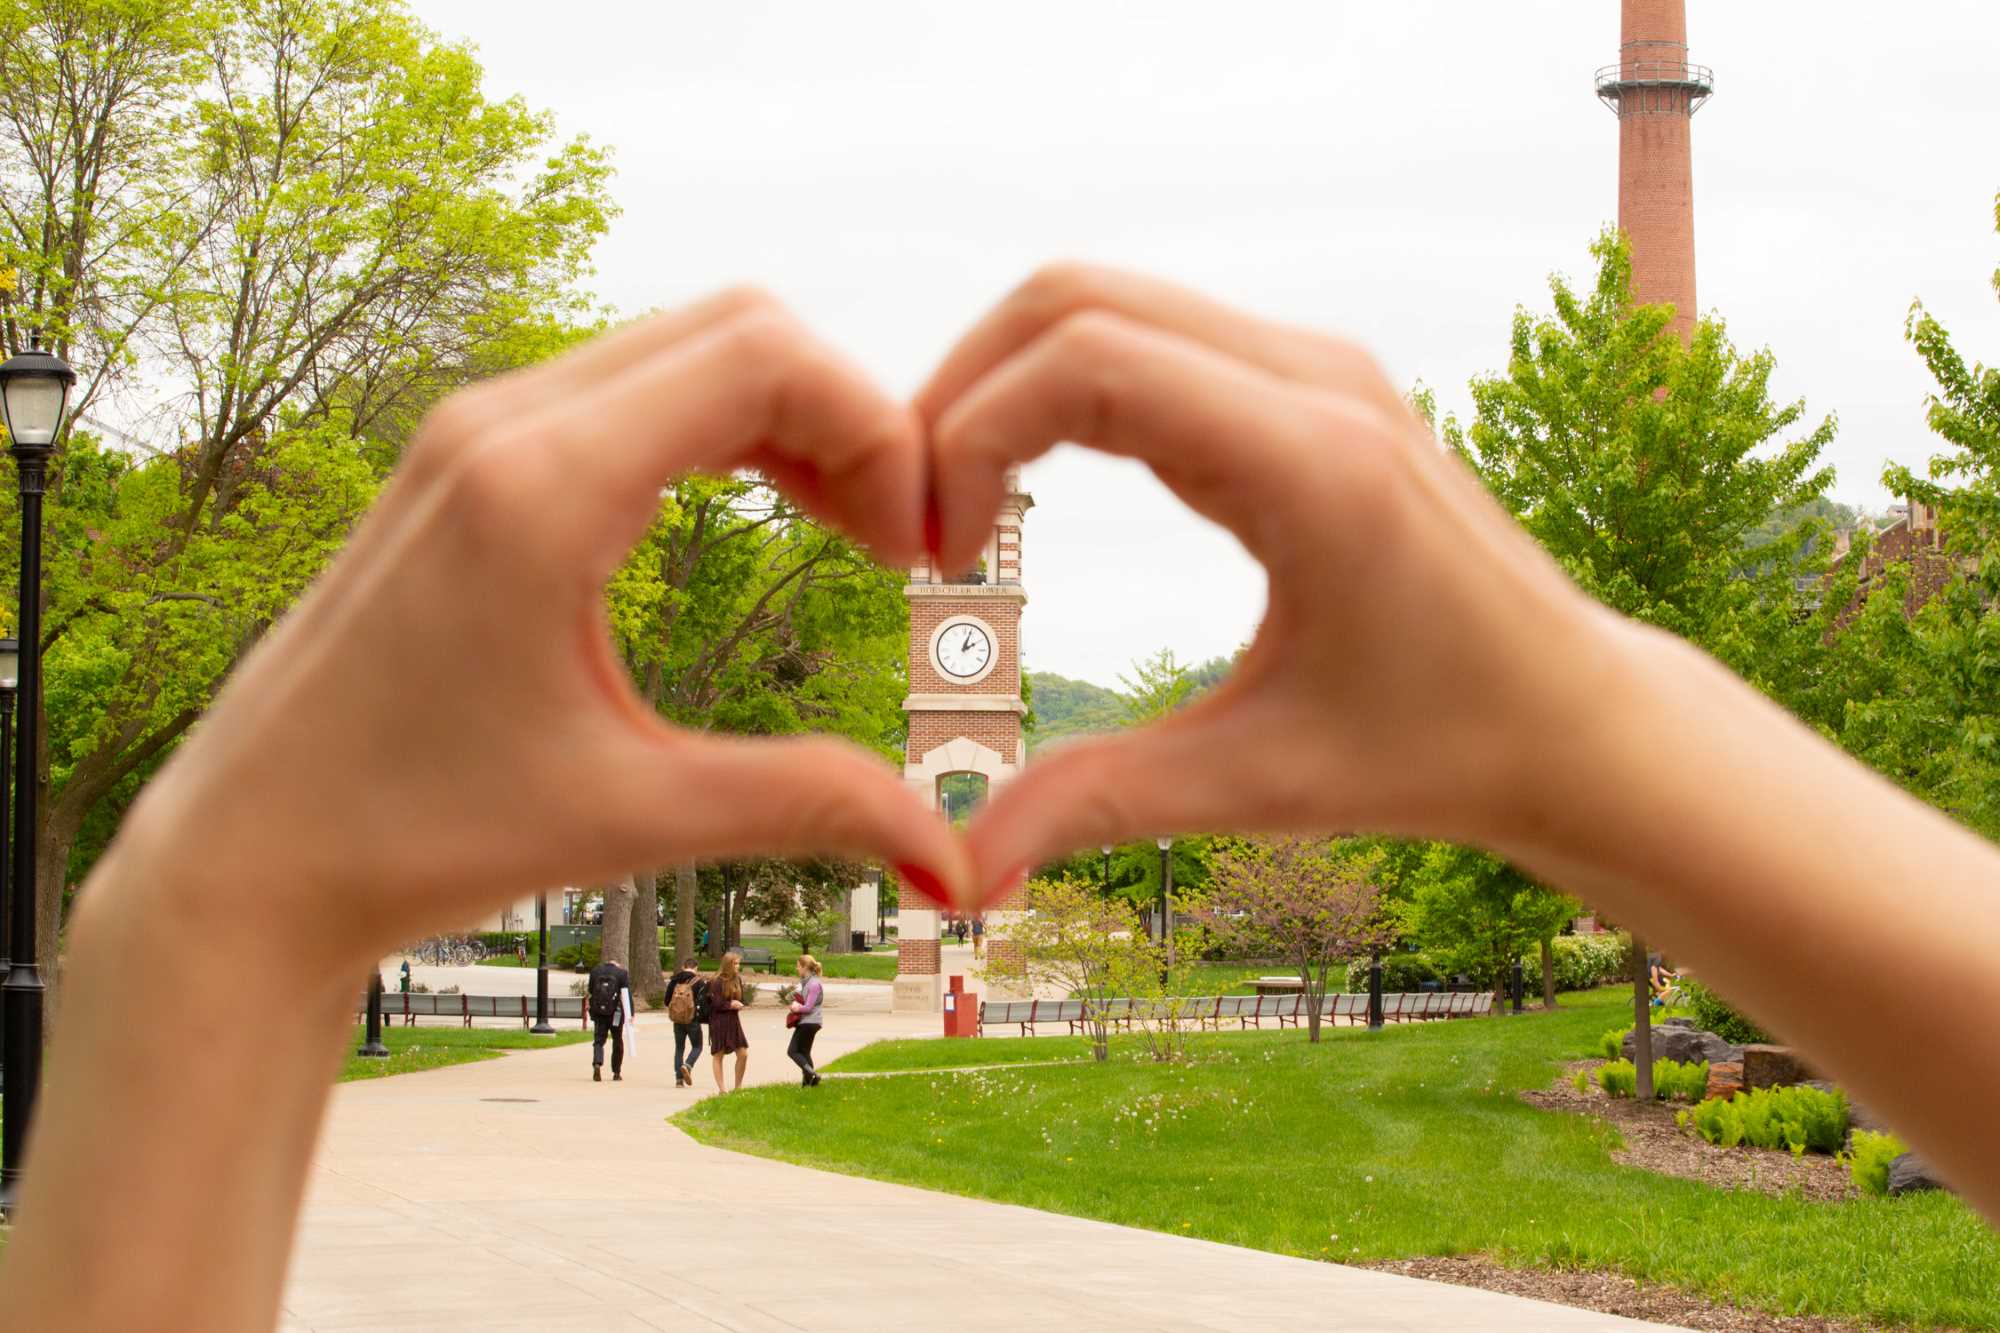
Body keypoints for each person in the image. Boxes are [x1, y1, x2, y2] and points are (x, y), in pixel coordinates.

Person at [9, 273, 2000, 1332]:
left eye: (987, 551)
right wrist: (1622, 745)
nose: (968, 569)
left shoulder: (992, 648)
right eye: (959, 564)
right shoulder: (935, 654)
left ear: (1001, 561)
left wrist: (209, 913)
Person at [706, 948, 751, 1093]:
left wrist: (739, 1004)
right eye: (735, 964)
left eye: (738, 963)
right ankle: (722, 1089)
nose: (738, 966)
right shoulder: (716, 981)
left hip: (733, 1021)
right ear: (727, 965)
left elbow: (741, 998)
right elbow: (715, 1003)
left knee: (743, 1054)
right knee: (718, 1055)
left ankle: (738, 1087)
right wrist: (730, 1004)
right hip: (718, 1021)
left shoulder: (737, 979)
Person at [586, 956, 632, 1083]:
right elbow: (626, 995)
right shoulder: (622, 973)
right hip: (616, 1013)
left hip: (599, 1012)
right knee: (617, 1040)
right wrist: (630, 1013)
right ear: (617, 964)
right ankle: (616, 1072)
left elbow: (590, 990)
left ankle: (597, 1063)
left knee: (598, 1040)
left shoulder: (595, 971)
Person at [664, 956, 706, 1087]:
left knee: (679, 1048)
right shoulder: (699, 982)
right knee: (697, 1046)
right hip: (693, 1020)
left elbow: (666, 1001)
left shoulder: (674, 980)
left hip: (677, 1020)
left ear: (684, 966)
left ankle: (679, 1080)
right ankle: (688, 1065)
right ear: (696, 968)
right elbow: (704, 1003)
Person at [787, 954, 826, 1087]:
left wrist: (796, 1007)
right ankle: (809, 1083)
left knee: (792, 1051)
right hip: (810, 1022)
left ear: (805, 967)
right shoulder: (807, 982)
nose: (797, 969)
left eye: (798, 966)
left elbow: (808, 1007)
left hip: (809, 1022)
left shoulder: (814, 984)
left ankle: (813, 1075)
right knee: (804, 1052)